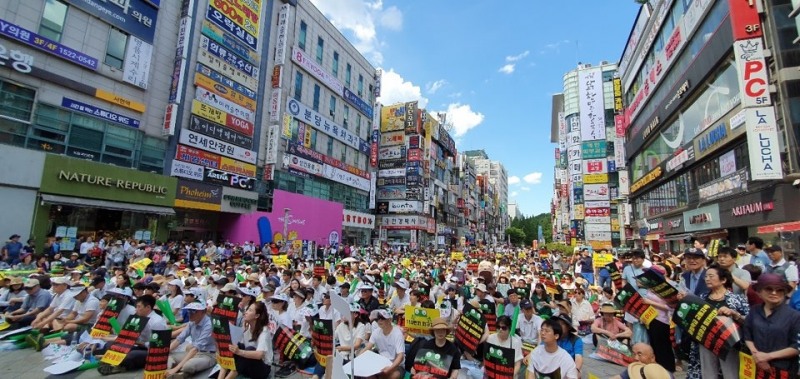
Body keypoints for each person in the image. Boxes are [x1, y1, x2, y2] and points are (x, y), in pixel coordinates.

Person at [692, 265, 749, 379]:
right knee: (708, 373)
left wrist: (734, 314)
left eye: (711, 276)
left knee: (731, 373)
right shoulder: (701, 298)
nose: (707, 279)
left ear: (723, 280)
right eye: (706, 276)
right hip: (706, 341)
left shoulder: (737, 299)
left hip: (729, 342)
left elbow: (748, 321)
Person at [743, 273, 800, 376]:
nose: (774, 293)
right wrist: (757, 356)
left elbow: (796, 347)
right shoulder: (754, 311)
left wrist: (768, 356)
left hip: (784, 369)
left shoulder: (794, 316)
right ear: (759, 292)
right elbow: (748, 335)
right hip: (756, 366)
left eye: (779, 290)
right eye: (769, 289)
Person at [97, 294, 168, 375]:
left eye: (139, 307)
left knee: (130, 355)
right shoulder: (137, 318)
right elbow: (127, 335)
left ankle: (120, 366)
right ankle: (113, 362)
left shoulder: (157, 321)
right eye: (136, 307)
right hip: (138, 345)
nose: (136, 310)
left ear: (148, 307)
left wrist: (139, 343)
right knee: (109, 345)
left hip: (151, 350)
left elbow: (158, 345)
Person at [219, 302, 272, 379]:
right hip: (247, 366)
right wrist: (242, 331)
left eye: (250, 310)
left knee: (249, 349)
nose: (246, 312)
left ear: (257, 316)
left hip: (262, 369)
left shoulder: (264, 331)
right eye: (247, 309)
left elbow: (259, 355)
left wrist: (239, 352)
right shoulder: (247, 328)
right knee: (232, 346)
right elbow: (239, 346)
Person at [167, 302, 217, 377]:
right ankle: (176, 373)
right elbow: (179, 339)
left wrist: (176, 368)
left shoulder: (209, 325)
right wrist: (163, 353)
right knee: (169, 358)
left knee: (188, 366)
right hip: (193, 352)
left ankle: (180, 373)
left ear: (203, 312)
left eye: (193, 311)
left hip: (208, 355)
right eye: (189, 311)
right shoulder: (191, 322)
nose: (190, 313)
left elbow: (195, 349)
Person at [359, 309, 405, 379]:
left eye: (382, 318)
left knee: (389, 376)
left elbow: (400, 356)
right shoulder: (376, 332)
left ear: (389, 320)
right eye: (378, 319)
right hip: (380, 363)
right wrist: (357, 359)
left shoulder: (397, 333)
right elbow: (367, 348)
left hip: (396, 365)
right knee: (368, 375)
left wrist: (390, 368)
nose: (379, 321)